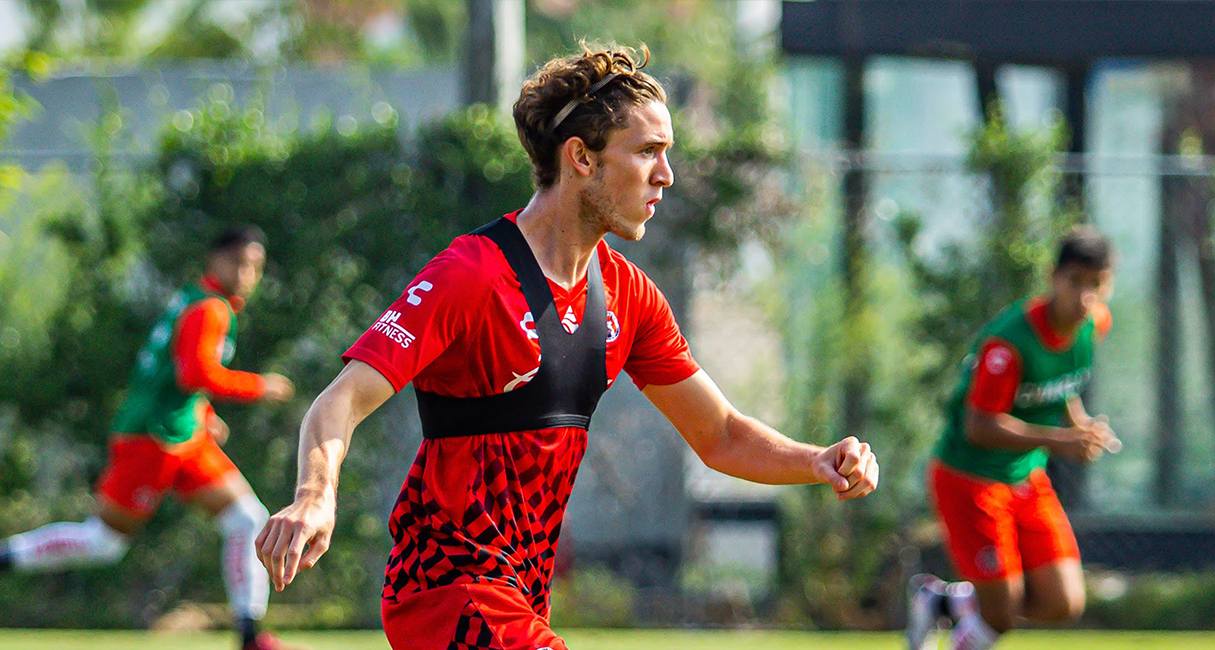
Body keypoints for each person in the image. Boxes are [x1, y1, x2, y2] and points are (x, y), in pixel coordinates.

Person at [255, 43, 879, 650]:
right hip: (448, 592)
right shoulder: (472, 275)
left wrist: (816, 460)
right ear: (581, 156)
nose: (666, 174)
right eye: (649, 152)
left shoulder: (629, 297)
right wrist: (314, 496)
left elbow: (720, 436)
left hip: (521, 598)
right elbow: (340, 400)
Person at [0, 225, 298, 650]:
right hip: (151, 437)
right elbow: (194, 372)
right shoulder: (210, 308)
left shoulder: (194, 300)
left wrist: (203, 411)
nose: (247, 273)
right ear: (214, 261)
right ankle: (6, 554)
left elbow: (174, 375)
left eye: (255, 266)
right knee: (104, 542)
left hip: (184, 434)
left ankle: (250, 636)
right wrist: (261, 386)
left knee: (247, 519)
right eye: (239, 262)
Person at [905, 226, 1119, 650]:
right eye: (1074, 281)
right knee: (1000, 613)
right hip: (970, 479)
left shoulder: (1093, 324)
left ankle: (941, 602)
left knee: (1064, 602)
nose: (1084, 296)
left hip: (1024, 477)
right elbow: (979, 426)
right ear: (1052, 276)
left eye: (1096, 284)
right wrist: (1060, 441)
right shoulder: (1009, 343)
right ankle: (963, 615)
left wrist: (1078, 425)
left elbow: (1062, 385)